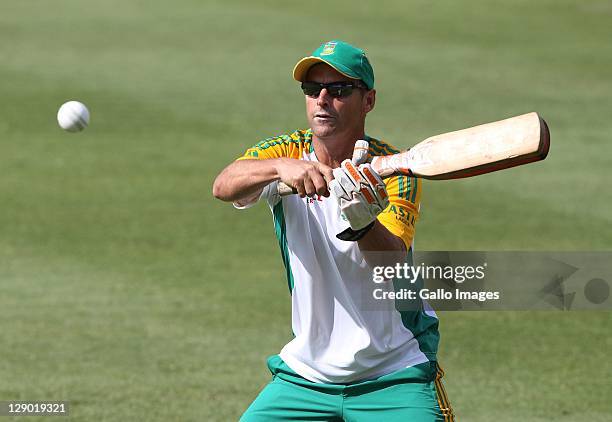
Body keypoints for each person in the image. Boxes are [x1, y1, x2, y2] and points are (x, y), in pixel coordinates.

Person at [213, 40, 454, 421]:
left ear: (368, 100)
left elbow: (390, 261)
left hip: (394, 372)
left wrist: (362, 221)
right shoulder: (287, 149)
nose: (322, 99)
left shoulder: (395, 172)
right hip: (307, 376)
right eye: (313, 89)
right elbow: (224, 185)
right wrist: (280, 168)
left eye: (339, 90)